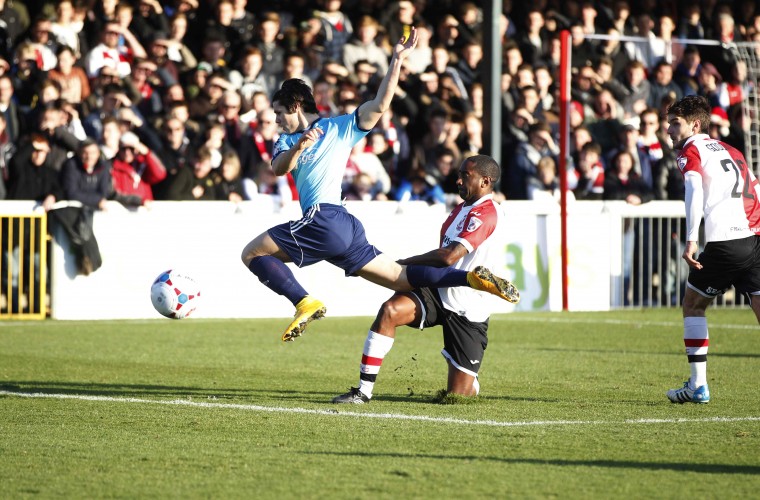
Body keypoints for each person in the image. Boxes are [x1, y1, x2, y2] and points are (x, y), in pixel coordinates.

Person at [240, 28, 519, 343]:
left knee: (252, 254)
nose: (276, 120)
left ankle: (303, 302)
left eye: (279, 113)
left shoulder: (338, 127)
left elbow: (379, 104)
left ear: (294, 106)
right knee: (400, 280)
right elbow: (279, 168)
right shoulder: (286, 141)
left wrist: (397, 59)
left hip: (324, 218)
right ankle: (469, 279)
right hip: (342, 226)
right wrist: (300, 147)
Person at [332, 155, 512, 403]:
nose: (458, 179)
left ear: (485, 181)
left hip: (469, 306)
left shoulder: (488, 213)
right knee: (390, 311)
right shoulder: (461, 208)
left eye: (465, 175)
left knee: (458, 396)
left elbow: (449, 257)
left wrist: (404, 263)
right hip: (439, 288)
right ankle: (363, 391)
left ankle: (469, 382)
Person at [665, 95, 760, 404]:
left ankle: (697, 386)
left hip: (725, 243)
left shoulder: (691, 150)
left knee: (692, 304)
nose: (669, 130)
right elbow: (755, 189)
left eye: (674, 123)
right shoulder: (732, 150)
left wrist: (692, 239)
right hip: (755, 238)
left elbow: (693, 189)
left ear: (694, 124)